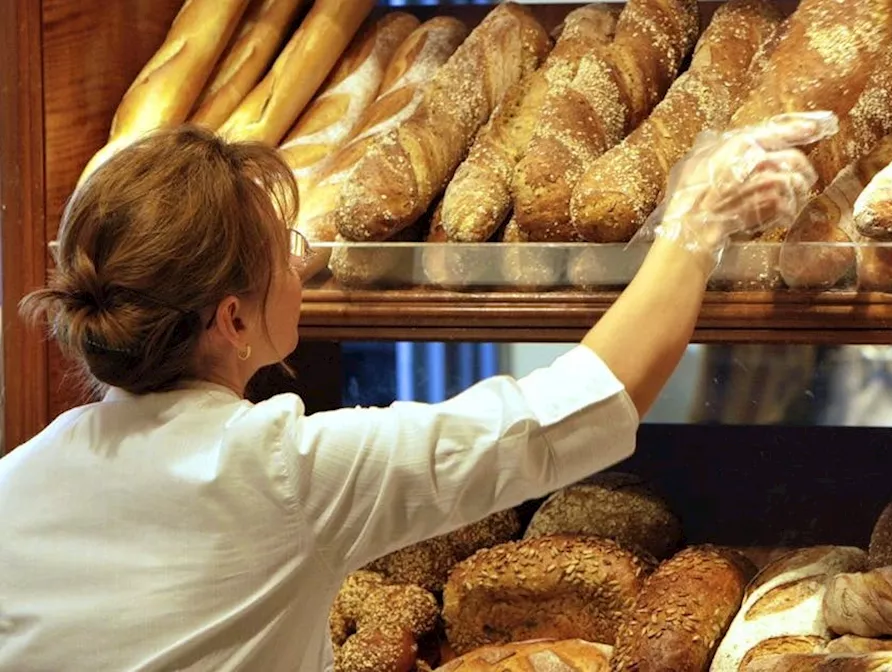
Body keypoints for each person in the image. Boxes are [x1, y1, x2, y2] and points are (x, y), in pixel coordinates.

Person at [0, 112, 830, 670]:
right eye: (284, 252)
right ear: (230, 320)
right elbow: (577, 406)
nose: (303, 264)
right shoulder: (282, 474)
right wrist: (697, 218)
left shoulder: (18, 483)